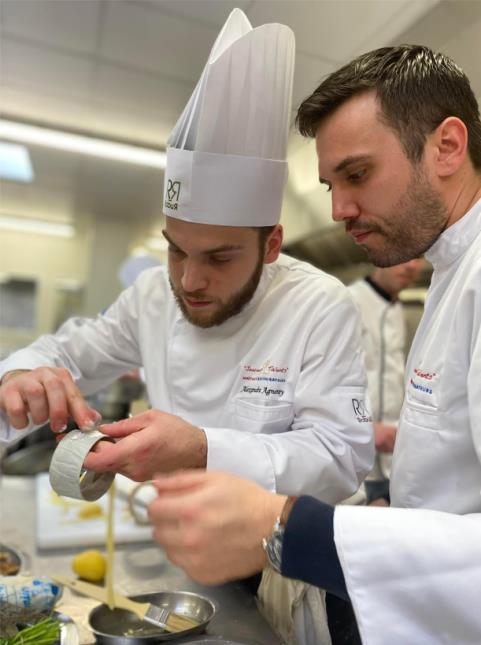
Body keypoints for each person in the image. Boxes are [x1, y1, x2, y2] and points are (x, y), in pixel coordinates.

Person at [146, 44, 481, 645]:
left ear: (448, 147)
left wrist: (287, 525)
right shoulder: (453, 272)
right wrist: (393, 523)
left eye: (357, 174)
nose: (339, 209)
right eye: (330, 184)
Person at [0, 10, 373, 502]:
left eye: (219, 259)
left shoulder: (319, 306)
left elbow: (340, 456)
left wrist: (201, 448)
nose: (190, 280)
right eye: (176, 251)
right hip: (181, 536)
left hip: (284, 562)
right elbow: (66, 353)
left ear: (272, 245)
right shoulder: (153, 296)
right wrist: (23, 375)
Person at [348, 260, 423, 505]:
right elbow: (324, 379)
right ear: (380, 258)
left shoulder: (398, 308)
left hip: (391, 460)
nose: (412, 266)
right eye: (404, 258)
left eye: (419, 257)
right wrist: (362, 427)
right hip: (354, 456)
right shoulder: (348, 301)